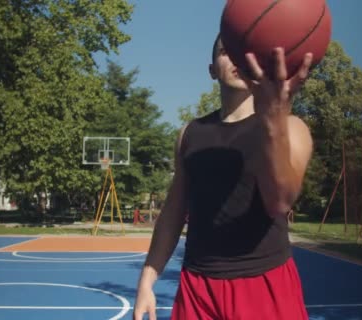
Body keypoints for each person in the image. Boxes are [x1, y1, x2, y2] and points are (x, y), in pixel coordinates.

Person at [133, 35, 314, 320]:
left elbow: (280, 201)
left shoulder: (290, 127)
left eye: (246, 53)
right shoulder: (189, 134)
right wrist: (147, 278)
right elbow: (173, 213)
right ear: (211, 70)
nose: (237, 59)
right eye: (226, 52)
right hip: (197, 286)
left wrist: (274, 119)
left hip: (263, 283)